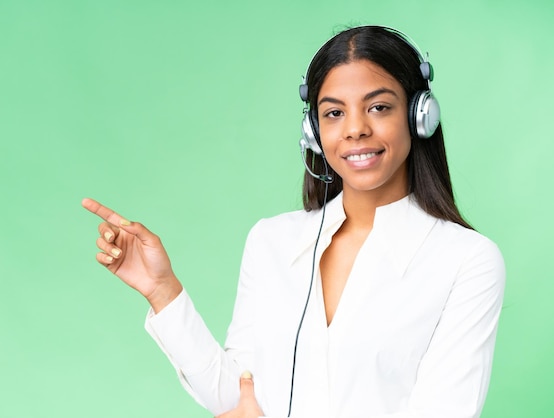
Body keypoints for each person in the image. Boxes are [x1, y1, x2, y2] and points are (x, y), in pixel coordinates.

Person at [82, 25, 505, 418]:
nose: (355, 129)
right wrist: (162, 291)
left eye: (378, 107)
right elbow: (238, 396)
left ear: (419, 116)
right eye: (334, 113)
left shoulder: (466, 261)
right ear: (313, 130)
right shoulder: (272, 240)